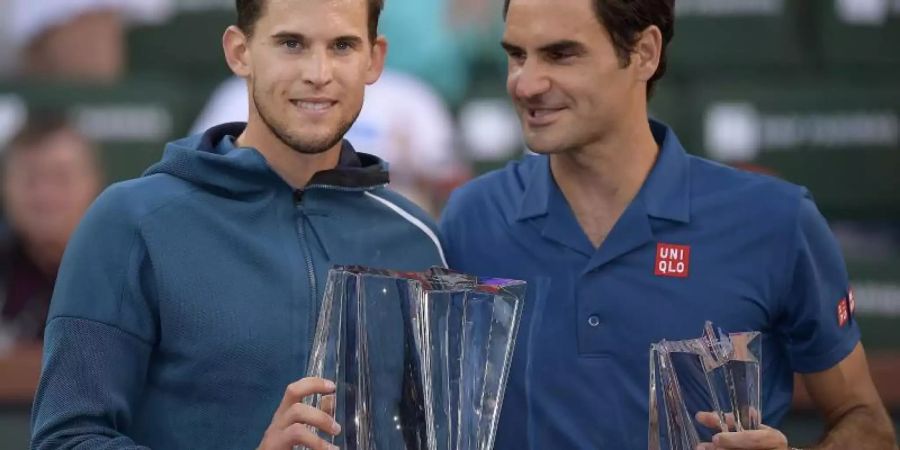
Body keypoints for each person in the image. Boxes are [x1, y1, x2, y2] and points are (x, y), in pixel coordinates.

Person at [438, 0, 896, 449]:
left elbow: (867, 423)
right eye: (516, 55)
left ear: (644, 53)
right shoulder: (470, 218)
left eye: (561, 54)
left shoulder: (776, 219)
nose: (526, 83)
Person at [30, 0, 445, 448]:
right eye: (291, 43)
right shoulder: (131, 223)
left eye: (342, 45)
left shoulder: (416, 242)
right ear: (239, 51)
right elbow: (66, 440)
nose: (319, 72)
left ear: (374, 58)